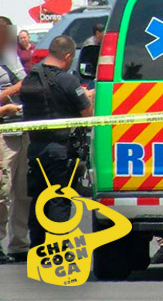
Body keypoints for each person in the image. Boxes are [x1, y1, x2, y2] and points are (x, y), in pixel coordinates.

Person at [19, 35, 94, 248]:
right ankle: (58, 248)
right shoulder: (67, 80)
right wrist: (89, 97)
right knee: (60, 198)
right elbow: (88, 113)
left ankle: (39, 247)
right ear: (68, 56)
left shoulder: (30, 79)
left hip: (35, 148)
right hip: (61, 149)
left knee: (39, 198)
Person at [0, 17, 29, 263]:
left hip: (22, 129)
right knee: (2, 190)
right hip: (2, 134)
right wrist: (10, 96)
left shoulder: (12, 59)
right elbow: (18, 87)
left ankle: (19, 243)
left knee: (23, 190)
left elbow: (26, 82)